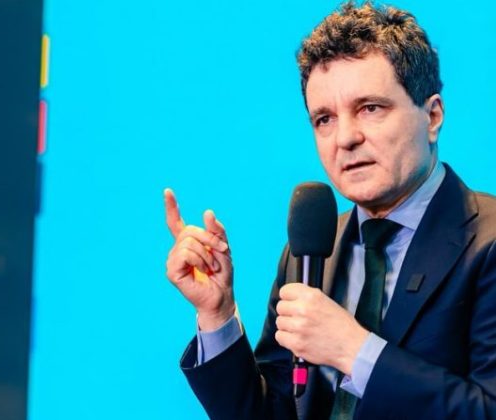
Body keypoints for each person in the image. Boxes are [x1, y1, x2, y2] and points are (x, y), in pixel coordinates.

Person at [164, 2, 496, 419]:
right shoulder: (307, 254)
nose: (345, 138)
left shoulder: (487, 242)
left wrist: (354, 350)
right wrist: (218, 314)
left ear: (432, 116)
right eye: (324, 119)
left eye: (370, 108)